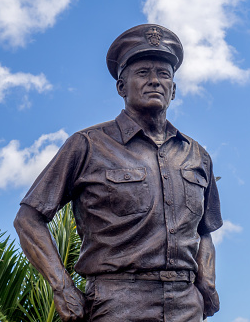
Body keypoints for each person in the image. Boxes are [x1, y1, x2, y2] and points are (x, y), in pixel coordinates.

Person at [14, 24, 223, 322]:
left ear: (174, 89)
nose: (154, 81)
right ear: (121, 87)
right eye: (143, 73)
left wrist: (207, 282)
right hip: (117, 303)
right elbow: (28, 219)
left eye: (164, 74)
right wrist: (62, 288)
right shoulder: (87, 145)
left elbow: (205, 231)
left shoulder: (197, 155)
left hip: (186, 306)